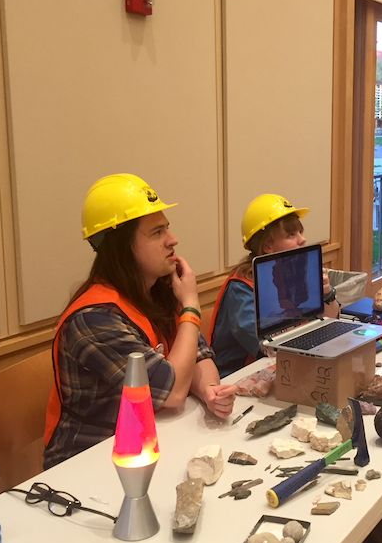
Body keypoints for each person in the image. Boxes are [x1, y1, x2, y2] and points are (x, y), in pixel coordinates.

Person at [44, 174, 236, 469]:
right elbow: (170, 391)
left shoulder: (158, 290)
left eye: (167, 228)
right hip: (90, 463)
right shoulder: (94, 320)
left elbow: (196, 353)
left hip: (149, 444)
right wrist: (191, 306)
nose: (172, 240)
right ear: (123, 247)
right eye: (157, 232)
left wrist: (210, 390)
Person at [208, 194, 339, 375]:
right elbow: (266, 347)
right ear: (268, 246)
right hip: (239, 377)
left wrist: (327, 294)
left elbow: (330, 320)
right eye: (291, 235)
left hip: (283, 366)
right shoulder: (241, 288)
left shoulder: (291, 273)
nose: (302, 240)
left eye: (301, 232)